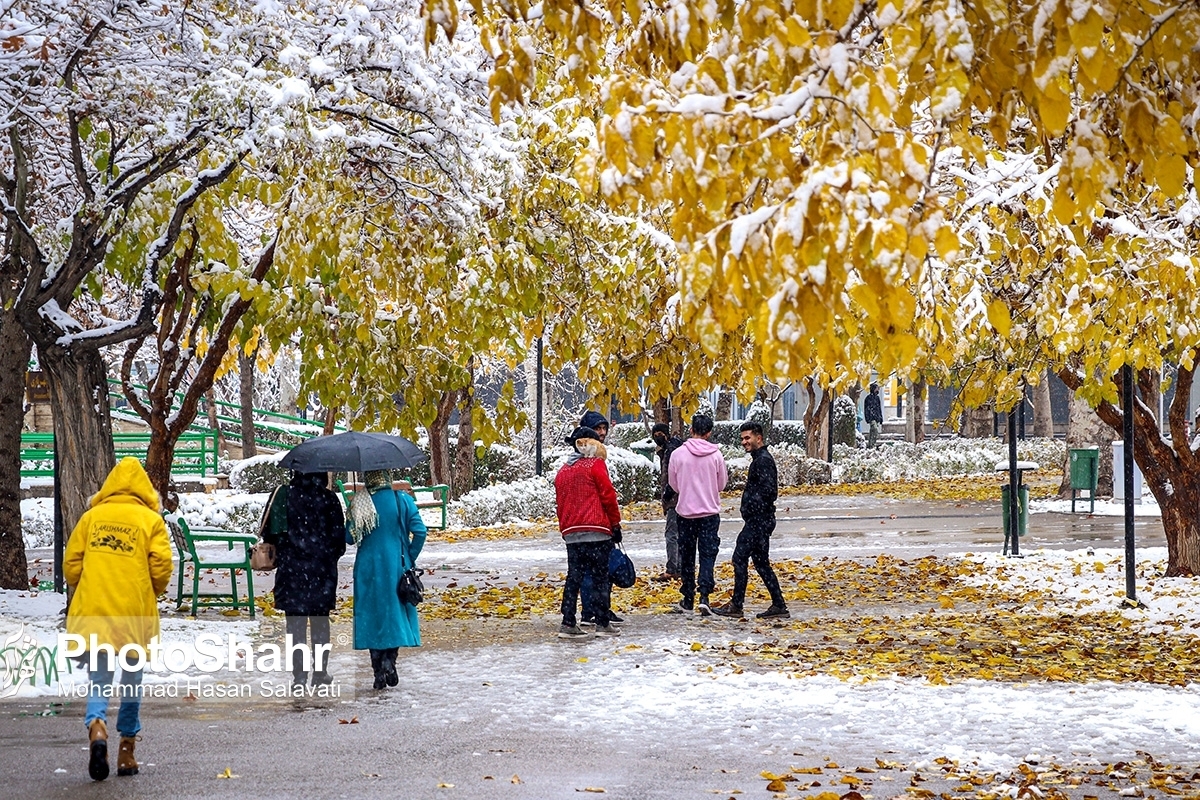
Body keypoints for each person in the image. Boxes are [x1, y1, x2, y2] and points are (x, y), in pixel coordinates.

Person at [64, 457, 173, 781]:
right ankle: (127, 750)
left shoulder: (92, 517)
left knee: (99, 680)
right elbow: (161, 568)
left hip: (96, 613)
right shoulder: (150, 521)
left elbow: (71, 566)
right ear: (143, 489)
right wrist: (147, 590)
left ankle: (97, 727)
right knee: (131, 681)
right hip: (132, 616)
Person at [261, 471, 346, 686]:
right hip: (321, 572)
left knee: (295, 627)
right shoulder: (329, 499)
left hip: (292, 572)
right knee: (320, 624)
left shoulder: (284, 496)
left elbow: (270, 536)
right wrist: (325, 555)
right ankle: (320, 673)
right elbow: (339, 541)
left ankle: (299, 676)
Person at [348, 469, 427, 690]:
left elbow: (349, 537)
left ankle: (377, 673)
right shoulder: (402, 499)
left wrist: (352, 513)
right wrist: (409, 556)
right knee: (393, 614)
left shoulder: (361, 502)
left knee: (372, 616)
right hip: (396, 566)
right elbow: (420, 531)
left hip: (367, 567)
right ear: (387, 476)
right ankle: (390, 661)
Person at [713, 422, 790, 619]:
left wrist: (751, 508)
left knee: (740, 558)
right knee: (761, 562)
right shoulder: (760, 459)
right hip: (759, 520)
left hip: (758, 521)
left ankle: (737, 605)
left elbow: (769, 491)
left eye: (747, 438)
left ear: (759, 438)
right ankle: (778, 604)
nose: (744, 442)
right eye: (742, 439)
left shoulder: (762, 461)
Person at [554, 426, 622, 639]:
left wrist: (565, 528)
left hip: (572, 533)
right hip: (597, 529)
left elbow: (560, 502)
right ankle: (602, 622)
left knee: (574, 576)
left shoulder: (563, 470)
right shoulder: (596, 465)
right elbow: (608, 496)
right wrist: (615, 524)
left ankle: (568, 621)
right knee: (600, 576)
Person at [667, 414, 727, 616]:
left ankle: (688, 596)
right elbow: (722, 484)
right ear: (709, 433)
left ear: (691, 430)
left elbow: (673, 484)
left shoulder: (677, 454)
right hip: (709, 512)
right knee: (708, 554)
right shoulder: (716, 455)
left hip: (685, 512)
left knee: (687, 555)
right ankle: (704, 595)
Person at [576, 411, 622, 624]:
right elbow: (607, 493)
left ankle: (594, 610)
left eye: (604, 428)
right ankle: (595, 611)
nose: (602, 433)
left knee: (587, 570)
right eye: (597, 429)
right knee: (597, 571)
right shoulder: (592, 462)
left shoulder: (576, 461)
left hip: (580, 524)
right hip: (595, 523)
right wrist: (614, 522)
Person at [652, 422, 683, 581]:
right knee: (680, 534)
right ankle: (680, 567)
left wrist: (667, 493)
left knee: (672, 534)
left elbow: (672, 475)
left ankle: (673, 569)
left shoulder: (671, 451)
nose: (657, 436)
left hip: (674, 500)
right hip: (679, 499)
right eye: (655, 433)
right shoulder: (670, 449)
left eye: (659, 433)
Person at [865, 382, 884, 448]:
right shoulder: (868, 398)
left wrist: (881, 417)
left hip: (876, 417)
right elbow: (866, 408)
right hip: (871, 417)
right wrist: (867, 418)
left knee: (872, 431)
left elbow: (879, 408)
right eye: (876, 388)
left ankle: (870, 444)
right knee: (875, 430)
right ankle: (872, 444)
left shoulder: (877, 398)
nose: (877, 390)